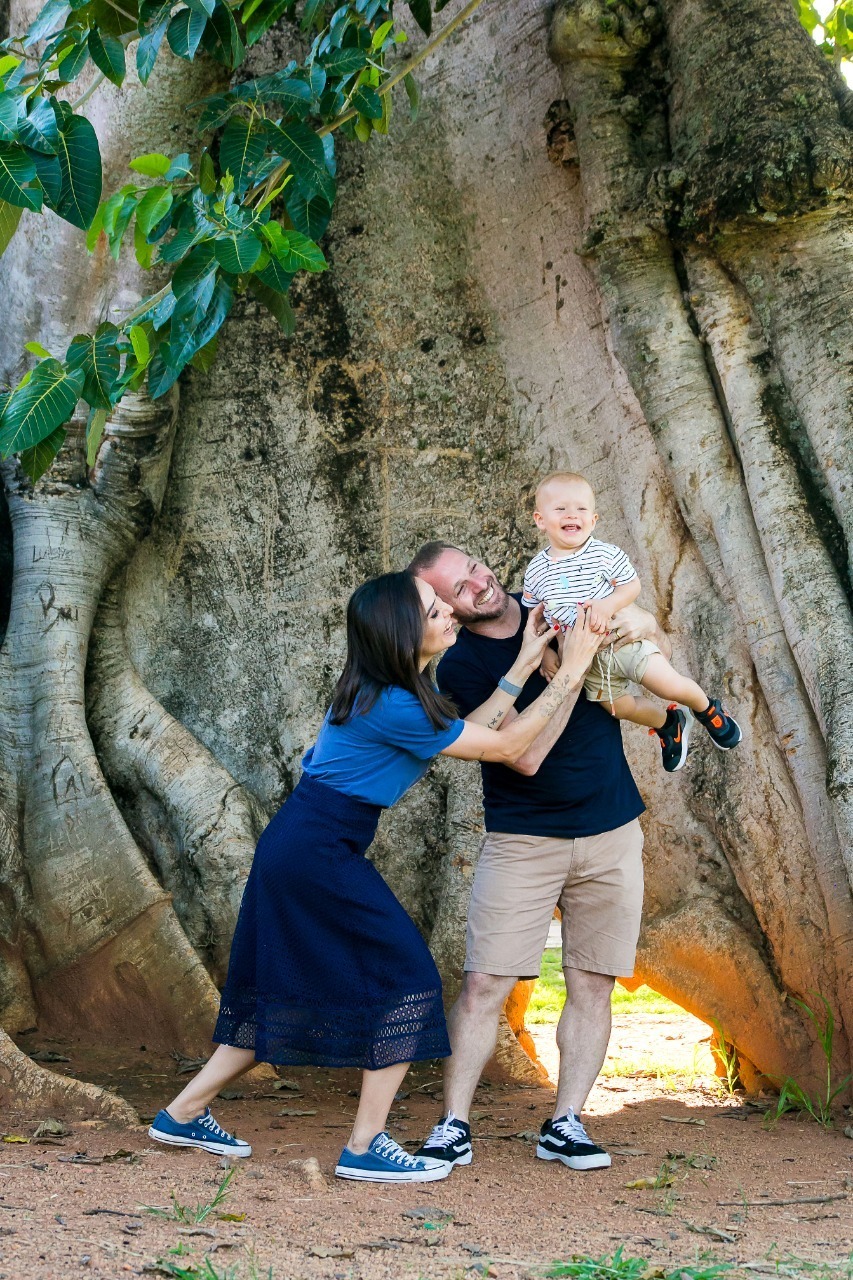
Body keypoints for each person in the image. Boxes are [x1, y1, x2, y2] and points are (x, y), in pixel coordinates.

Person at [148, 570, 602, 1184]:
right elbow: (503, 746)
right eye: (434, 609)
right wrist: (572, 668)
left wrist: (524, 660)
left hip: (306, 842)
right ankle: (365, 1147)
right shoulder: (393, 704)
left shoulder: (397, 692)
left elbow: (481, 727)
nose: (449, 612)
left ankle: (183, 1113)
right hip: (317, 848)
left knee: (285, 989)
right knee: (406, 981)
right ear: (400, 631)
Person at [408, 542, 666, 1174]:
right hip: (523, 839)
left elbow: (642, 626)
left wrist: (634, 626)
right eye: (459, 587)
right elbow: (521, 755)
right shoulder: (461, 666)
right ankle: (452, 1124)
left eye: (474, 567)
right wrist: (572, 668)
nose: (479, 583)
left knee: (593, 982)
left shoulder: (558, 602)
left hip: (611, 827)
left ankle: (567, 1121)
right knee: (485, 983)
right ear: (445, 607)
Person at [523, 472, 742, 772]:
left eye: (581, 509)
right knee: (621, 708)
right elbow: (535, 617)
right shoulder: (536, 571)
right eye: (560, 509)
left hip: (623, 642)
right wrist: (547, 653)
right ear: (540, 519)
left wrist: (608, 604)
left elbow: (631, 586)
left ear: (594, 520)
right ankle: (670, 724)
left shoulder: (603, 554)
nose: (572, 514)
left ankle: (706, 708)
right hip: (586, 662)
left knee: (669, 685)